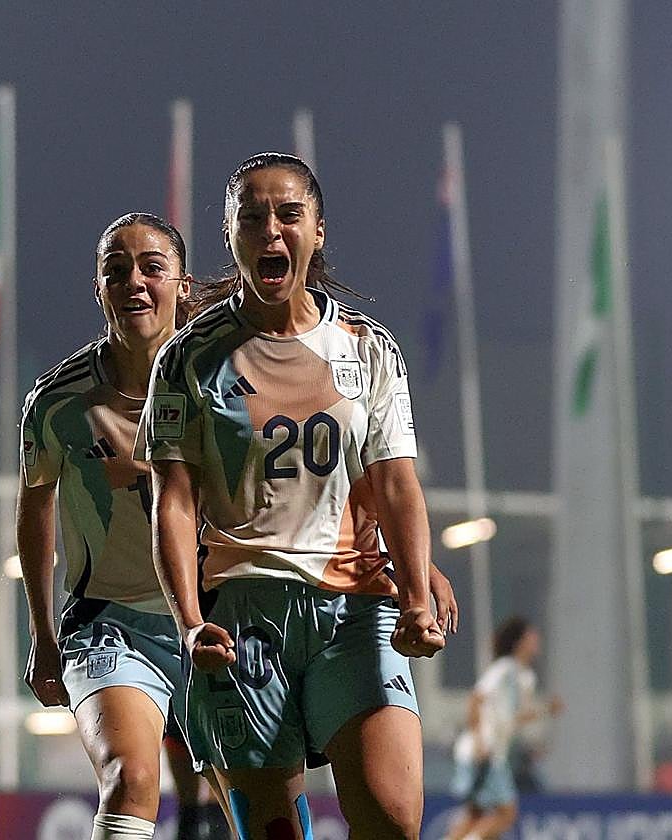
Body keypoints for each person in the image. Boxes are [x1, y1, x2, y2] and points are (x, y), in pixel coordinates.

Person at [143, 152, 450, 840]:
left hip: (355, 607)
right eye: (252, 219)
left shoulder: (367, 347)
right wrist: (189, 620)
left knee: (394, 823)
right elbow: (173, 500)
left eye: (288, 215)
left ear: (317, 232)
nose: (271, 231)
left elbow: (395, 482)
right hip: (242, 618)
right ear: (230, 237)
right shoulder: (189, 358)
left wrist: (416, 596)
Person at [18, 212, 232, 840]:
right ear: (98, 289)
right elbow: (34, 509)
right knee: (132, 776)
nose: (134, 281)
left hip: (215, 616)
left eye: (151, 267)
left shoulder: (225, 385)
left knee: (249, 799)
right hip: (110, 623)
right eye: (116, 270)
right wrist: (40, 630)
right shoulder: (57, 403)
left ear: (182, 285)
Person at [448, 617, 562, 840]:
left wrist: (547, 709)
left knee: (475, 817)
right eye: (531, 636)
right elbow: (476, 699)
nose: (537, 641)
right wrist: (480, 741)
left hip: (490, 752)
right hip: (483, 753)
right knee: (506, 813)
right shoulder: (504, 669)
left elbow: (516, 717)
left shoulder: (525, 677)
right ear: (520, 641)